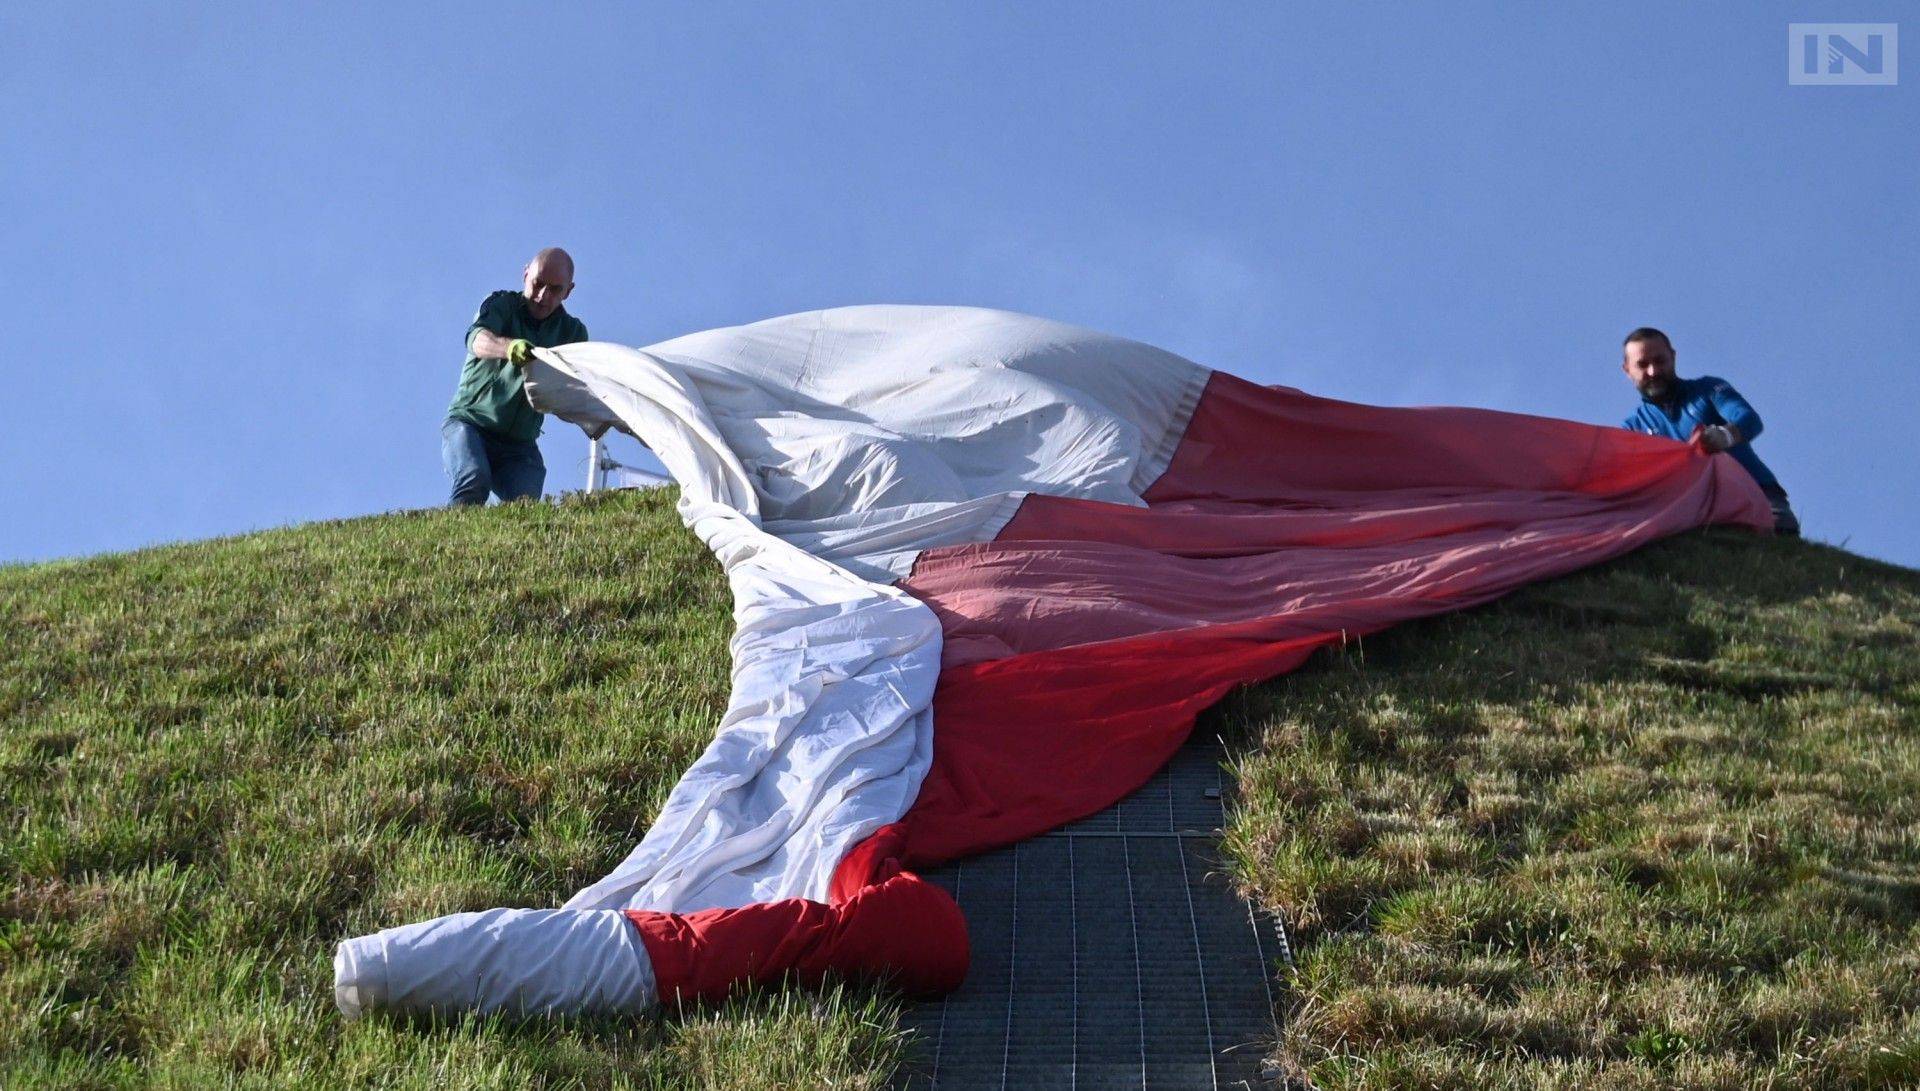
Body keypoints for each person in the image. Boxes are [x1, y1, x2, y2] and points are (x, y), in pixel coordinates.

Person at [442, 248, 589, 506]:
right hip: (471, 425)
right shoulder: (501, 305)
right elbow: (477, 339)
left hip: (519, 446)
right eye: (538, 283)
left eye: (555, 289)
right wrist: (508, 348)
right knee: (473, 479)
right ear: (525, 274)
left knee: (524, 503)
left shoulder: (572, 333)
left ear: (568, 291)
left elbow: (576, 389)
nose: (543, 296)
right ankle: (452, 532)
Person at [1619, 326, 1798, 535]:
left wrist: (1726, 435)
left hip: (1757, 491)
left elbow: (1749, 419)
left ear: (1673, 357)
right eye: (1642, 364)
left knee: (1782, 543)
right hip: (1691, 510)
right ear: (1627, 370)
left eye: (1660, 361)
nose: (1653, 371)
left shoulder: (1708, 390)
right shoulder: (1633, 428)